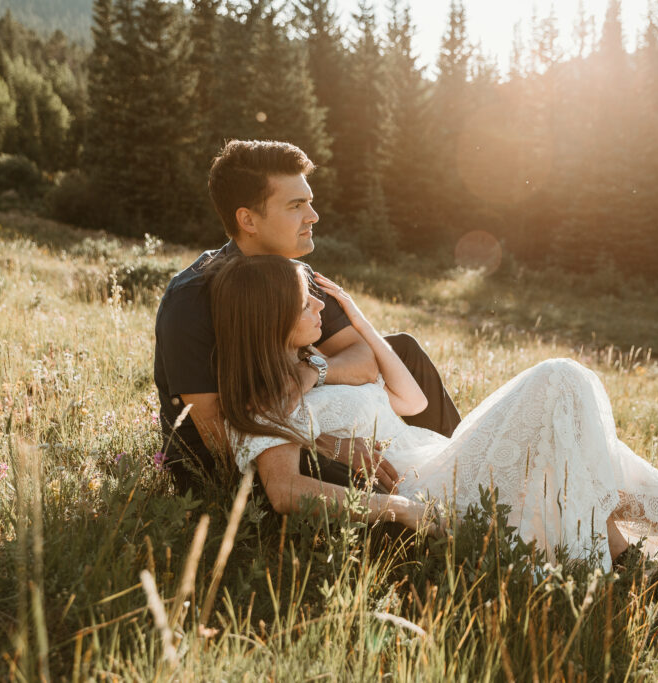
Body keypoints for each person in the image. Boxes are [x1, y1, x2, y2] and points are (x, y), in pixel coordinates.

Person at [212, 255, 658, 616]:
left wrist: (349, 320)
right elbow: (284, 491)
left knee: (613, 464)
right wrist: (402, 507)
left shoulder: (318, 366)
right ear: (269, 312)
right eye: (308, 301)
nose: (321, 307)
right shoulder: (262, 401)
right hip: (427, 487)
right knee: (560, 377)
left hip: (441, 455)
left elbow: (411, 397)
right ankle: (602, 578)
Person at [153, 140, 461, 494]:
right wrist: (327, 445)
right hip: (236, 465)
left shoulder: (297, 274)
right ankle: (426, 506)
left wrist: (309, 373)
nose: (312, 216)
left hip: (294, 415)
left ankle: (463, 465)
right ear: (248, 219)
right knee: (368, 479)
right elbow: (215, 431)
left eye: (310, 203)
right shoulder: (192, 297)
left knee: (402, 351)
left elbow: (364, 360)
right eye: (296, 205)